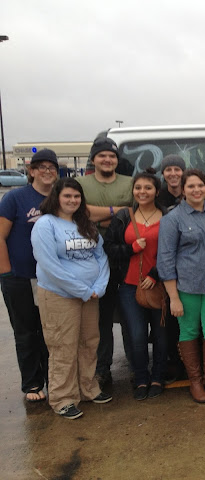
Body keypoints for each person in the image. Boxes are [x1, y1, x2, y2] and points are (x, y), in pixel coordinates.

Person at [31, 178, 112, 419]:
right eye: (67, 196)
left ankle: (88, 388)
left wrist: (99, 286)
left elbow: (101, 257)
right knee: (62, 346)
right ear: (56, 197)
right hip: (59, 295)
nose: (72, 200)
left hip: (90, 295)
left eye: (76, 196)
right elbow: (49, 265)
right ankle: (63, 398)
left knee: (89, 343)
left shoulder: (85, 224)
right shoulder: (45, 224)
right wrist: (82, 289)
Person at [157, 169, 205, 403]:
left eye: (200, 185)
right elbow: (165, 259)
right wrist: (173, 297)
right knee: (189, 331)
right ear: (183, 190)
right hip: (186, 287)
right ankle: (195, 382)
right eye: (191, 186)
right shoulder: (172, 219)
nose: (196, 190)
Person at [104, 169, 168, 400]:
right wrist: (131, 248)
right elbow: (108, 247)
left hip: (159, 285)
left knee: (161, 335)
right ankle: (141, 378)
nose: (143, 192)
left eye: (148, 188)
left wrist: (155, 274)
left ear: (157, 191)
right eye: (138, 188)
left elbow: (173, 251)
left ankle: (158, 377)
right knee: (137, 335)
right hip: (129, 286)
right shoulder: (124, 216)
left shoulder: (167, 216)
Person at [0, 148, 58, 402]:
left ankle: (53, 379)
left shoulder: (59, 198)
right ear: (31, 171)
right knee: (25, 332)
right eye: (41, 167)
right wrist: (7, 273)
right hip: (20, 277)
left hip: (50, 279)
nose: (47, 171)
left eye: (51, 167)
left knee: (49, 332)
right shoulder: (15, 198)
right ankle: (32, 384)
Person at [77, 137, 133, 388]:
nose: (107, 160)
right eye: (102, 156)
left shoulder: (130, 183)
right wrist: (116, 211)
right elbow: (80, 213)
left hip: (126, 254)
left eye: (111, 156)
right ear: (93, 159)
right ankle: (102, 369)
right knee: (102, 318)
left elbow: (134, 213)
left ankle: (136, 365)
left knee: (131, 315)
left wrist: (97, 214)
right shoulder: (81, 184)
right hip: (92, 258)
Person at [156, 154, 186, 383]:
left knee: (189, 320)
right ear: (163, 173)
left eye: (177, 169)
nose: (173, 173)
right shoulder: (158, 198)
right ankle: (175, 364)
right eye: (169, 170)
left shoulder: (192, 194)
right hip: (165, 267)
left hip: (188, 267)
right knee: (170, 322)